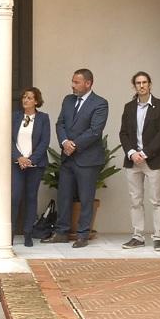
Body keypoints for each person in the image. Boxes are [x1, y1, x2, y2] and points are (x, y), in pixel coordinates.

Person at [42, 68, 108, 248]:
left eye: (76, 82)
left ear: (88, 83)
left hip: (87, 159)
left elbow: (95, 131)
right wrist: (64, 142)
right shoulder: (68, 100)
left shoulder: (100, 103)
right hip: (68, 158)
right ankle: (61, 232)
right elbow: (60, 123)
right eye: (72, 81)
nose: (72, 85)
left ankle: (82, 235)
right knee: (64, 196)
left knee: (86, 198)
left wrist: (74, 145)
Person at [119, 71, 160, 251]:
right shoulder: (128, 107)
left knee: (157, 200)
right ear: (134, 86)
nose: (141, 86)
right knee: (135, 201)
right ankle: (138, 236)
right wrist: (132, 152)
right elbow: (123, 133)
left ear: (150, 84)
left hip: (153, 160)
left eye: (144, 82)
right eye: (138, 83)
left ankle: (158, 237)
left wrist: (145, 153)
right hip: (133, 161)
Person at [11, 87, 50, 247]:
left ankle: (28, 232)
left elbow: (44, 142)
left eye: (29, 98)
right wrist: (19, 157)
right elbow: (8, 139)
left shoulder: (43, 118)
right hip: (16, 164)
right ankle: (10, 232)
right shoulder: (15, 116)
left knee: (31, 197)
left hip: (35, 165)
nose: (25, 100)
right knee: (15, 197)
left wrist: (31, 159)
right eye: (24, 97)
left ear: (36, 101)